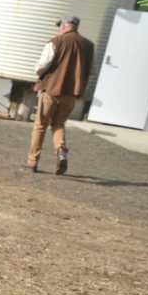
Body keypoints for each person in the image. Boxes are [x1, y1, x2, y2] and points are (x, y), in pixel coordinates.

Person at [28, 15, 94, 175]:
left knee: (40, 125)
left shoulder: (56, 41)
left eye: (60, 26)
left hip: (51, 89)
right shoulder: (89, 46)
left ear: (65, 26)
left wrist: (39, 73)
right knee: (58, 124)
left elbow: (42, 65)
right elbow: (90, 71)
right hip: (71, 93)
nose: (59, 29)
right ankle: (61, 151)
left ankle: (32, 161)